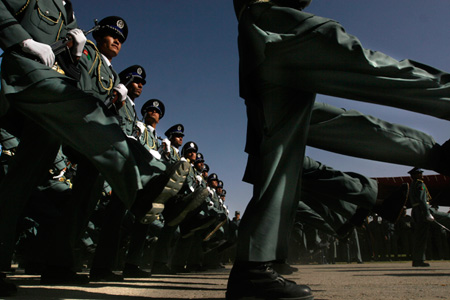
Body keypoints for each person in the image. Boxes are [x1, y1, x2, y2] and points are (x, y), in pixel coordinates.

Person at [229, 0, 450, 299]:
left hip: (257, 28)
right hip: (271, 19)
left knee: (289, 142)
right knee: (371, 68)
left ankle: (252, 269)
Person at [0, 2, 188, 290]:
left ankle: (59, 264)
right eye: (112, 36)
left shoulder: (66, 10)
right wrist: (23, 40)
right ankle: (144, 187)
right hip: (32, 77)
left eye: (121, 40)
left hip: (58, 108)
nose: (117, 42)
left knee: (24, 184)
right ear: (100, 36)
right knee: (38, 181)